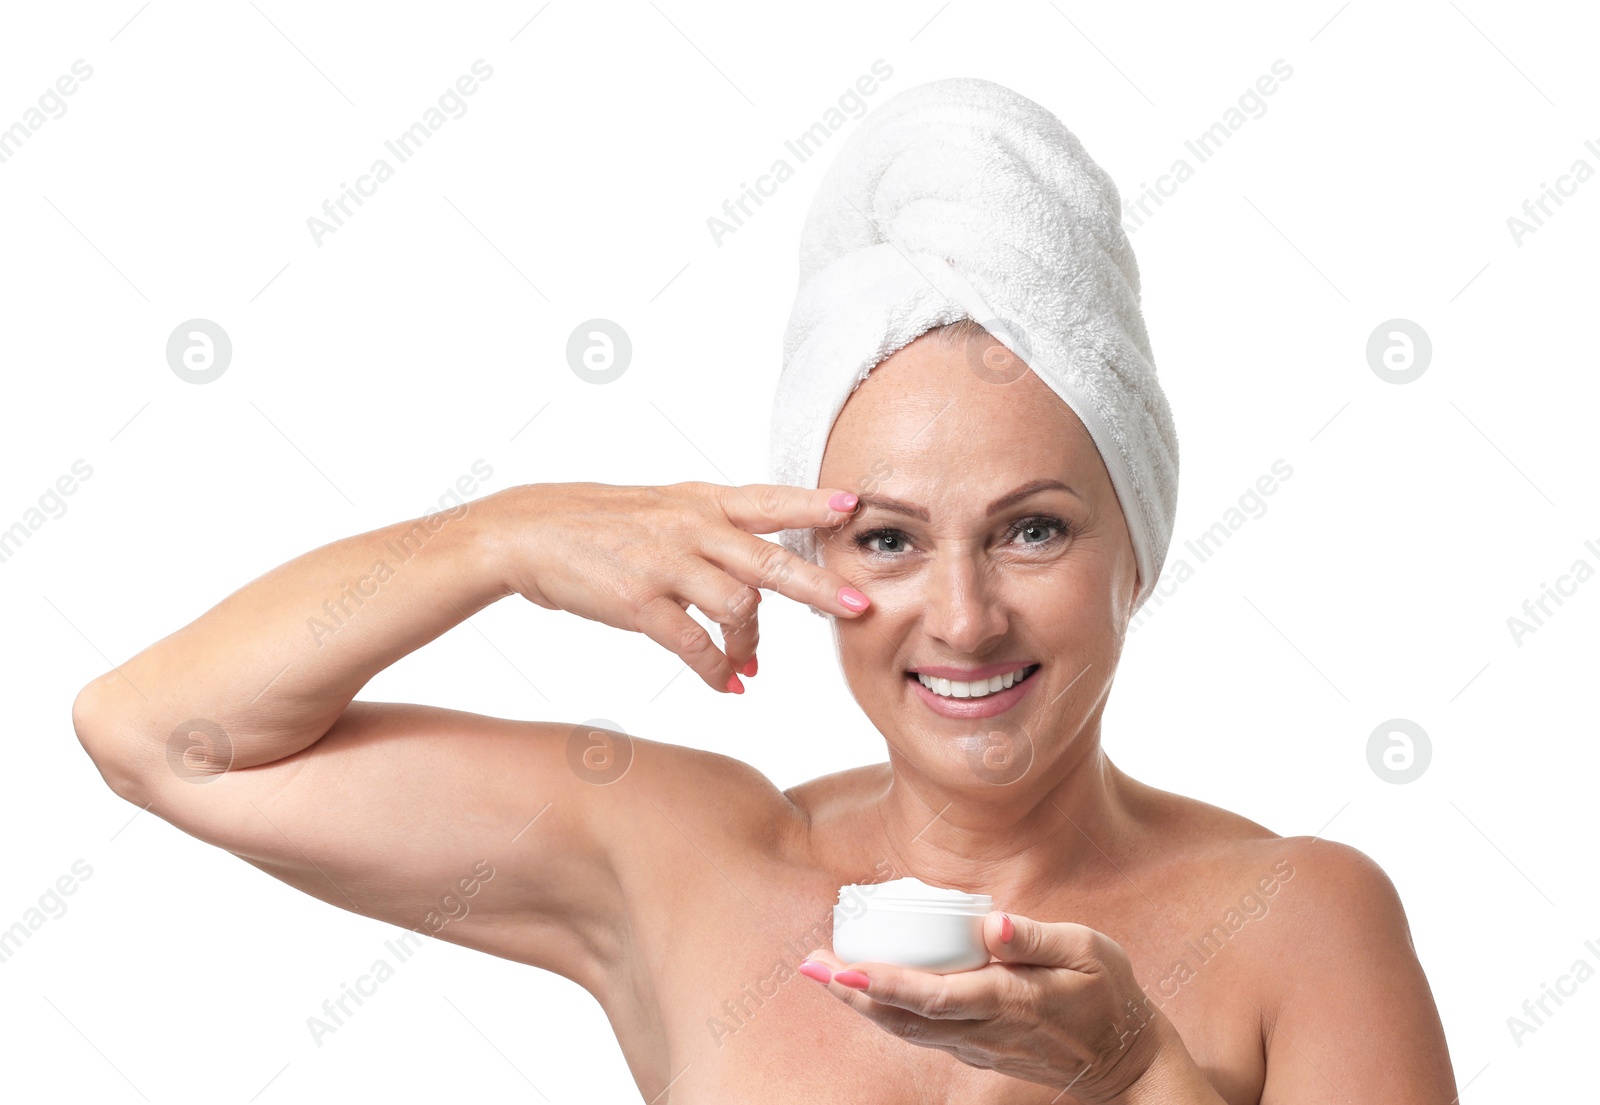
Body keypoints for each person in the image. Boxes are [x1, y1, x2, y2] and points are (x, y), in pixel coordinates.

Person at [73, 71, 1457, 1102]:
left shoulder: (1301, 919)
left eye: (1033, 532)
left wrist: (1138, 1068)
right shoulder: (684, 859)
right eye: (888, 540)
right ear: (803, 560)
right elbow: (159, 733)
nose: (963, 617)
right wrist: (498, 537)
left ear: (1137, 548)